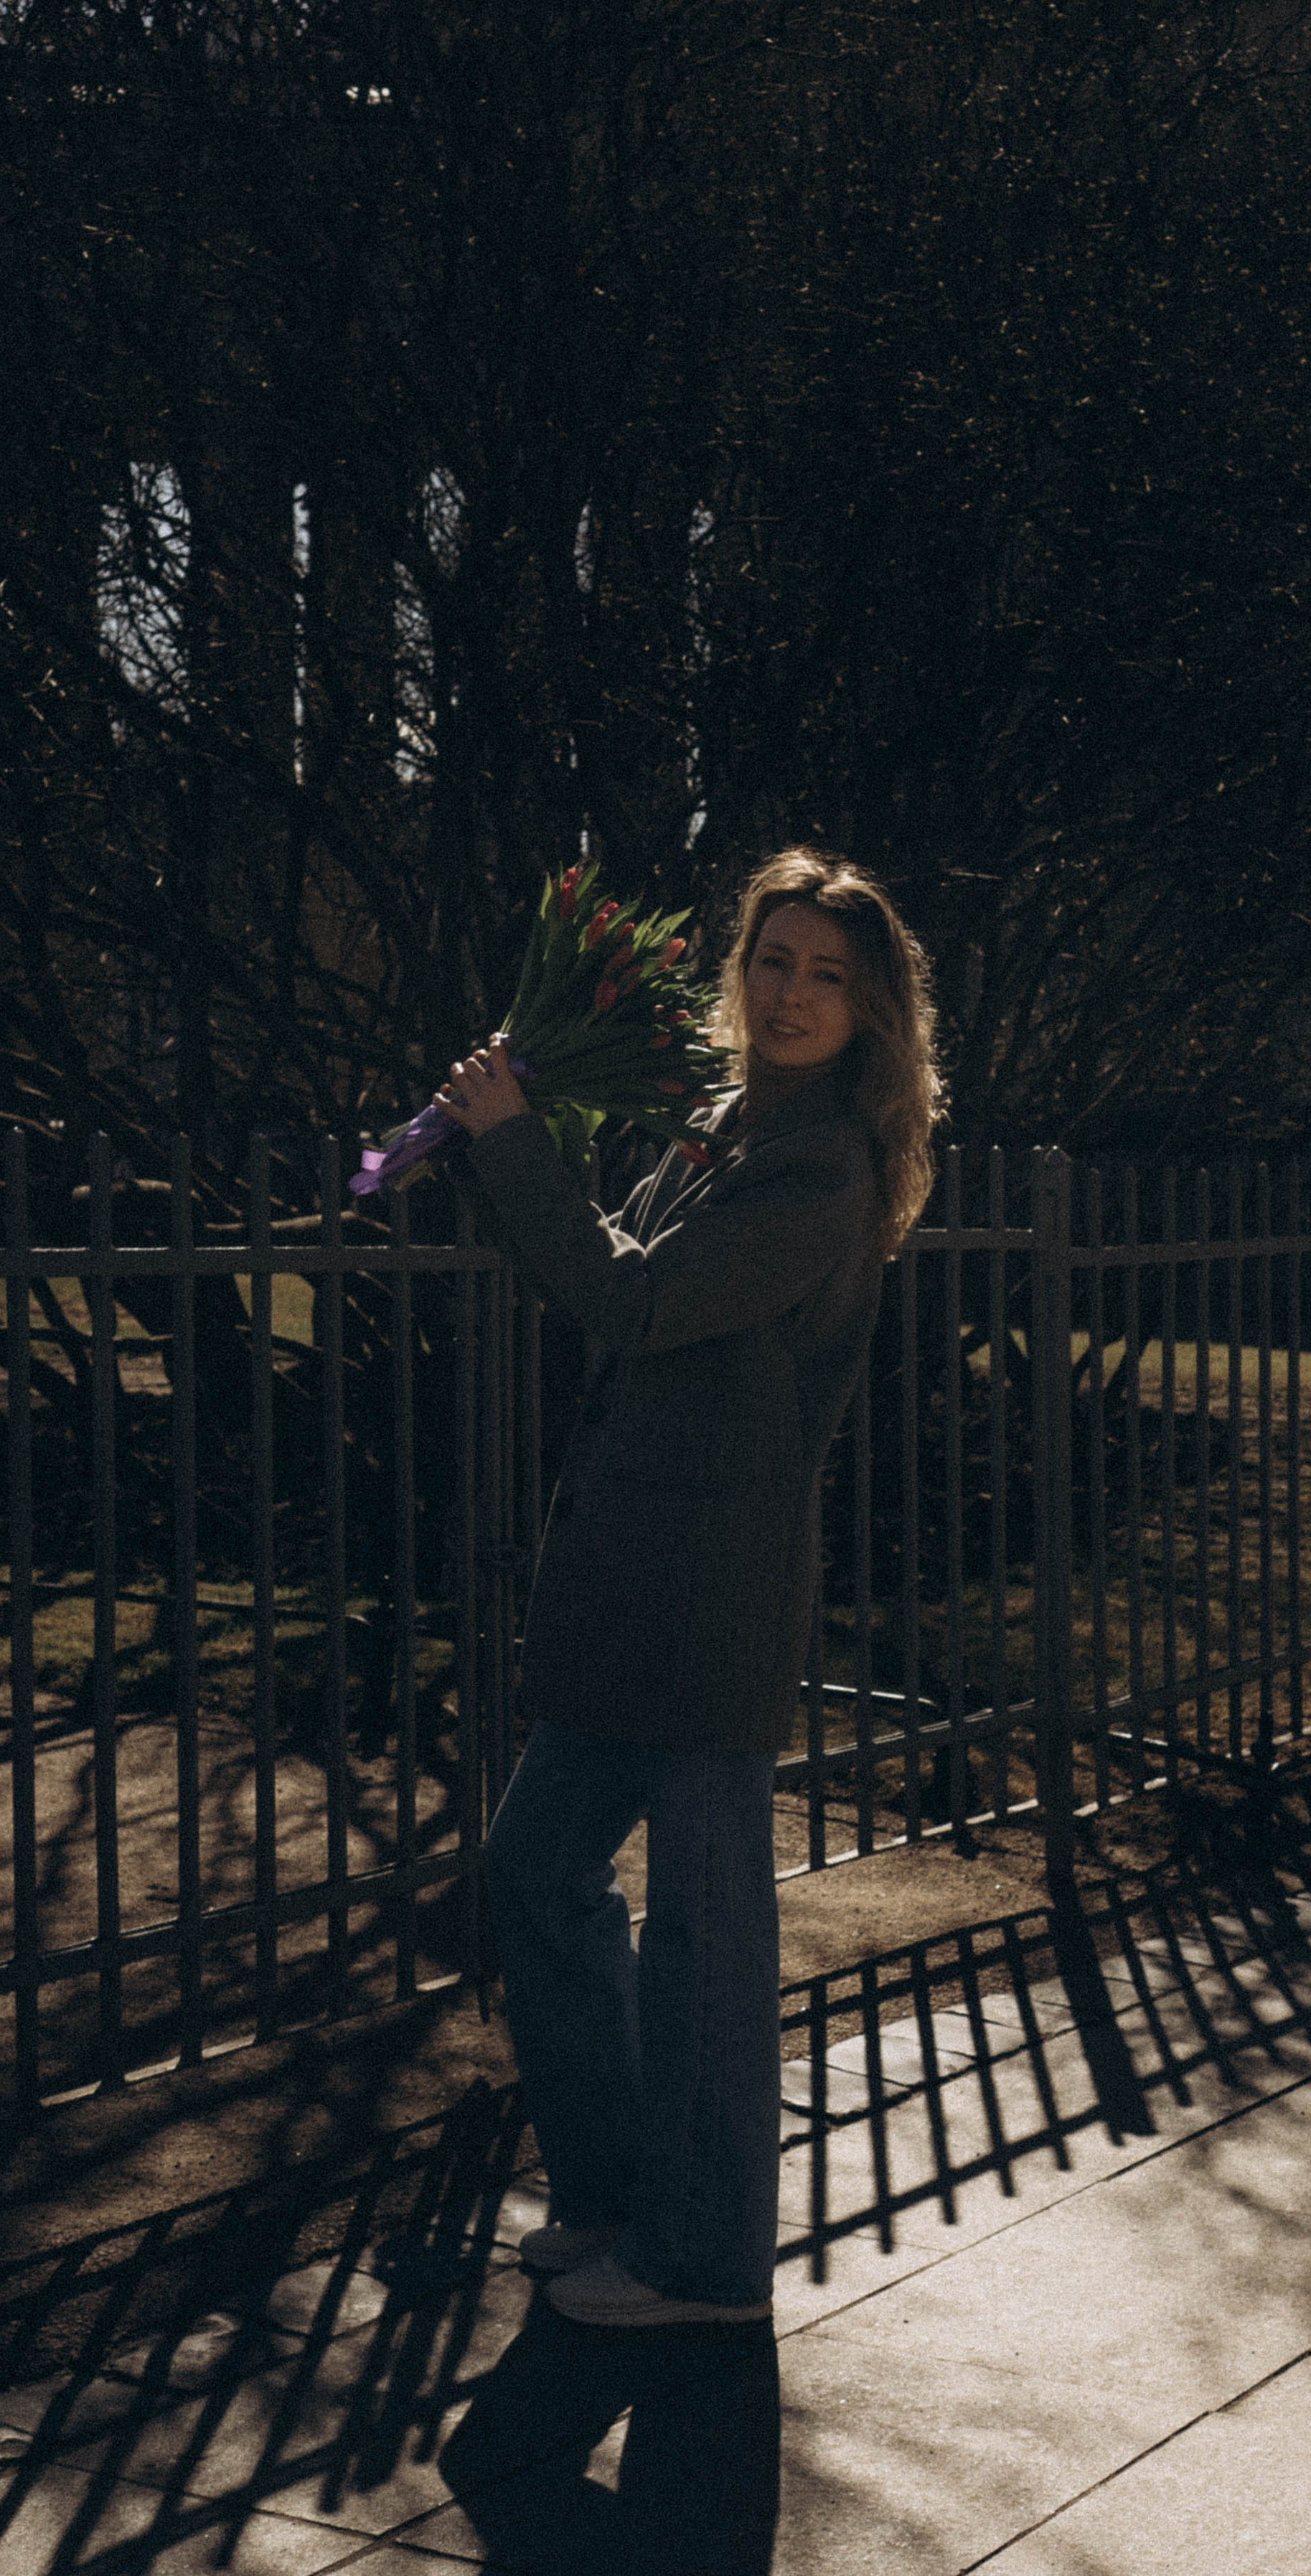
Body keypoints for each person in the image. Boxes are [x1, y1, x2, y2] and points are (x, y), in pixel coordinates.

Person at [436, 847, 942, 2327]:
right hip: (626, 1578)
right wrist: (493, 1133)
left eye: (824, 976)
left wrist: (517, 1140)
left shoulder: (820, 1164)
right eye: (771, 962)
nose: (788, 995)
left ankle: (704, 2259)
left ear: (868, 1011)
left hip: (708, 1590)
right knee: (536, 1875)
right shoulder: (723, 1122)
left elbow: (633, 1301)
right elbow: (606, 1263)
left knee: (709, 1946)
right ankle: (612, 2193)